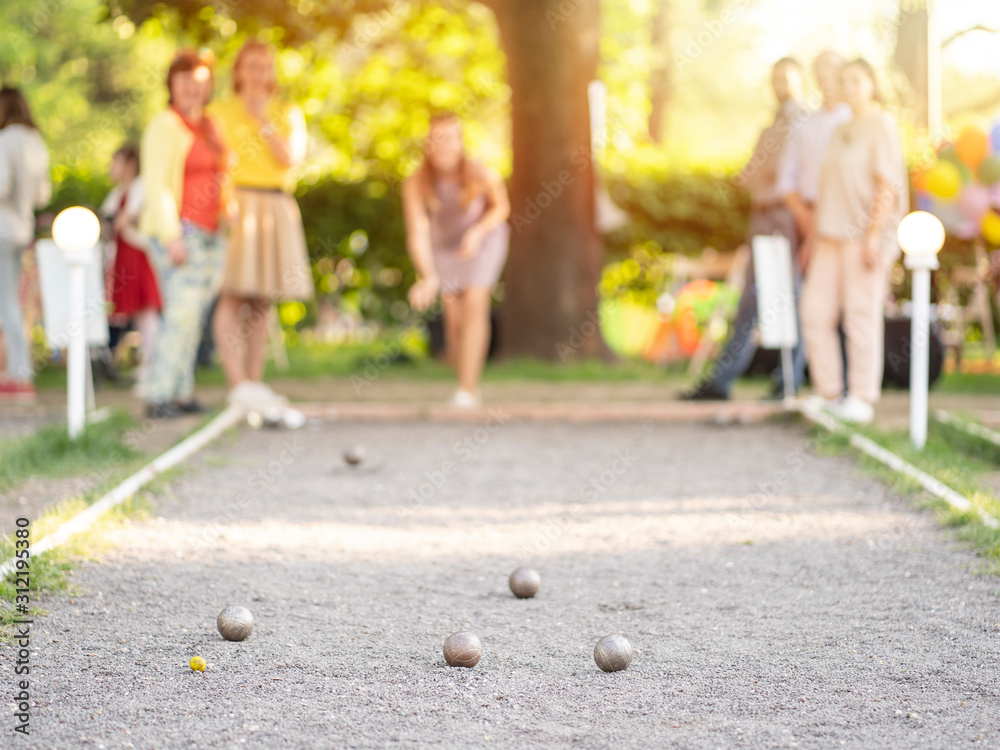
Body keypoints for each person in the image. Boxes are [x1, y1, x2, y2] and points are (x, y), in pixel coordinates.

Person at [682, 57, 809, 401]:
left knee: (791, 296)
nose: (780, 85)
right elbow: (751, 175)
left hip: (784, 217)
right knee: (750, 298)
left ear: (800, 80)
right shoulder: (769, 128)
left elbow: (787, 176)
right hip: (761, 216)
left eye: (786, 78)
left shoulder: (804, 124)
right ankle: (723, 380)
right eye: (775, 78)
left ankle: (791, 378)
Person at [801, 58, 908, 424]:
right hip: (828, 237)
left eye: (856, 80)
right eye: (843, 80)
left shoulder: (882, 125)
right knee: (814, 313)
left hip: (863, 236)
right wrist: (811, 240)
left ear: (872, 84)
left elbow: (887, 186)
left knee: (860, 315)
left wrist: (872, 236)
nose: (848, 87)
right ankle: (829, 392)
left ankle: (861, 397)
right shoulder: (838, 129)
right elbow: (826, 190)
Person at [209, 40, 312, 412]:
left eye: (264, 66)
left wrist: (262, 122)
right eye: (250, 66)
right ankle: (237, 383)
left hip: (275, 203)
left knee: (263, 297)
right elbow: (215, 162)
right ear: (237, 71)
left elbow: (290, 159)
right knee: (233, 293)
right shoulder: (219, 112)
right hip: (238, 204)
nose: (257, 73)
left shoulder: (287, 112)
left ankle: (255, 382)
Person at [140, 49, 234, 419]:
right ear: (171, 85)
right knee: (179, 312)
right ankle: (158, 393)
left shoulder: (210, 125)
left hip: (214, 231)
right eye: (184, 82)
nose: (193, 89)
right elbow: (157, 184)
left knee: (194, 314)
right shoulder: (165, 125)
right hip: (182, 230)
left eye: (199, 82)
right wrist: (170, 234)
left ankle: (181, 391)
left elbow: (223, 171)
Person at [403, 112, 510, 408]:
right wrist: (428, 276)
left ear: (461, 142)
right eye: (436, 139)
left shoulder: (481, 172)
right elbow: (418, 232)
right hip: (445, 247)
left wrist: (477, 232)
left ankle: (468, 390)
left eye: (449, 138)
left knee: (475, 303)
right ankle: (462, 382)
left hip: (483, 241)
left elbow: (501, 208)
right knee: (454, 320)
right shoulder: (416, 182)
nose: (443, 145)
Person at [0, 87, 50, 401]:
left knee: (7, 303)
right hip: (23, 229)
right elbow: (42, 195)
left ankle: (19, 375)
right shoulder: (36, 142)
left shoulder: (5, 140)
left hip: (2, 230)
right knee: (14, 302)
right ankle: (18, 372)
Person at [99, 143, 161, 395]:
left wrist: (130, 219)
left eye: (117, 162)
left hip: (139, 254)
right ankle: (146, 365)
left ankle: (152, 368)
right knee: (136, 313)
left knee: (147, 312)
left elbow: (147, 218)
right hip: (123, 254)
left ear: (130, 164)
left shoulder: (143, 188)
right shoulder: (116, 195)